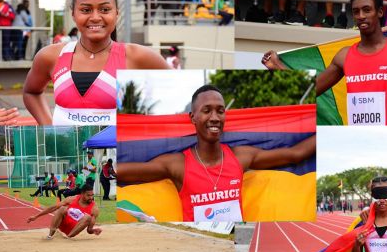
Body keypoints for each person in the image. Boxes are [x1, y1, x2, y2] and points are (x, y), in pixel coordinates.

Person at [117, 85, 316, 222]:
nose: (214, 117)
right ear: (192, 117)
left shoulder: (241, 157)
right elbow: (122, 171)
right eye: (207, 110)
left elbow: (295, 154)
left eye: (220, 111)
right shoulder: (177, 164)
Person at [23, 0, 169, 125]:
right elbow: (31, 92)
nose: (95, 17)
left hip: (119, 148)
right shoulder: (51, 56)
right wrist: (50, 130)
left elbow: (180, 95)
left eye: (105, 10)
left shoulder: (138, 56)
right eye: (86, 10)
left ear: (117, 13)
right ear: (73, 13)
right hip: (64, 148)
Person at [27, 183, 102, 239]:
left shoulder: (94, 209)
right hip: (62, 224)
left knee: (88, 217)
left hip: (72, 230)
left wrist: (93, 230)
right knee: (62, 208)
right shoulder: (71, 199)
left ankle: (67, 238)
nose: (91, 197)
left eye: (92, 195)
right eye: (88, 195)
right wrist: (36, 216)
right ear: (82, 194)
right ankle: (50, 235)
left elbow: (89, 230)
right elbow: (54, 207)